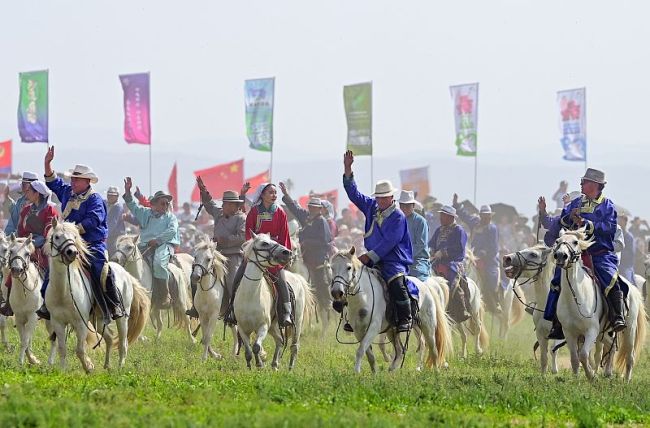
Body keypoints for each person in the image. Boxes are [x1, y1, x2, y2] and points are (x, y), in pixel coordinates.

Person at [540, 168, 626, 339]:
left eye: (584, 182)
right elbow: (562, 220)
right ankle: (555, 322)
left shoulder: (608, 206)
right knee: (557, 280)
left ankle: (617, 317)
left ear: (595, 185)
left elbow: (609, 228)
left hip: (600, 253)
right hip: (575, 253)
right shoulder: (576, 202)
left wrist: (585, 222)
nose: (581, 184)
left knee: (610, 279)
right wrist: (571, 217)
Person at [42, 147, 123, 324]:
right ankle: (45, 305)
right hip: (68, 243)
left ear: (87, 181)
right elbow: (52, 182)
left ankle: (112, 304)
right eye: (73, 178)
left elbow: (93, 220)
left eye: (77, 179)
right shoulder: (67, 192)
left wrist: (71, 231)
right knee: (53, 266)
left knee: (100, 268)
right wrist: (47, 163)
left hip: (92, 243)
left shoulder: (95, 199)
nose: (73, 182)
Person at [342, 150, 413, 332]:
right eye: (378, 197)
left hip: (394, 260)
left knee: (396, 284)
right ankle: (350, 316)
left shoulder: (398, 217)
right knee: (352, 279)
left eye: (384, 197)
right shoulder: (371, 206)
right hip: (373, 259)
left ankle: (406, 317)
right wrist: (348, 169)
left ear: (392, 197)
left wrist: (369, 257)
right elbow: (354, 194)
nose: (380, 200)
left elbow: (390, 242)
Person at [225, 182, 294, 327]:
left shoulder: (280, 212)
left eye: (275, 193)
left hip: (273, 255)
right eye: (270, 192)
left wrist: (283, 254)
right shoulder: (254, 212)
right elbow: (249, 233)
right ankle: (231, 310)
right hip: (257, 253)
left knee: (281, 281)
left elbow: (284, 235)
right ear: (262, 194)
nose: (274, 195)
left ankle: (286, 313)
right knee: (237, 277)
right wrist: (255, 250)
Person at [185, 177, 249, 319]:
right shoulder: (219, 213)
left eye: (227, 204)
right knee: (196, 274)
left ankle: (232, 311)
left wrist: (224, 239)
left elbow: (242, 237)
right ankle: (196, 307)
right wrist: (203, 189)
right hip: (216, 253)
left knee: (232, 280)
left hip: (233, 255)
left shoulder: (241, 218)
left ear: (234, 206)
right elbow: (208, 204)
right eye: (224, 203)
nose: (224, 206)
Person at [0, 180, 57, 316]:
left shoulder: (50, 210)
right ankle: (8, 302)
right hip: (24, 246)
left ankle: (49, 304)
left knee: (51, 272)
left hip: (43, 248)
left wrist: (32, 243)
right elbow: (20, 229)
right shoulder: (26, 209)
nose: (26, 193)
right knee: (12, 267)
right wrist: (21, 243)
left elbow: (48, 232)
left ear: (37, 193)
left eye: (29, 191)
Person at [123, 177, 180, 309]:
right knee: (127, 258)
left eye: (167, 203)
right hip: (145, 245)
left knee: (159, 263)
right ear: (154, 204)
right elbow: (132, 205)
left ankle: (164, 296)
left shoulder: (171, 217)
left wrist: (158, 240)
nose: (165, 206)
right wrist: (127, 191)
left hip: (164, 244)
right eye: (163, 203)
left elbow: (172, 231)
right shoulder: (144, 213)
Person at [280, 183, 333, 313]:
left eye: (315, 207)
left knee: (321, 281)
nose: (312, 209)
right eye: (310, 207)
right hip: (303, 255)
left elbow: (325, 242)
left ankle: (327, 304)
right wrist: (286, 195)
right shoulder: (305, 216)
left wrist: (307, 242)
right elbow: (294, 208)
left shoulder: (322, 222)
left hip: (318, 257)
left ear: (320, 209)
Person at [453, 194, 502, 313]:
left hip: (489, 260)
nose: (486, 218)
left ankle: (495, 302)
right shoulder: (475, 222)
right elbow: (464, 215)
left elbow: (494, 248)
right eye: (484, 216)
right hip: (471, 257)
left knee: (491, 277)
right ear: (480, 215)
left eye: (488, 216)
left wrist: (483, 254)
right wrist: (457, 205)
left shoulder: (492, 228)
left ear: (491, 216)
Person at [430, 205, 470, 323]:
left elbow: (459, 248)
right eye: (441, 215)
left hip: (454, 262)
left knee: (453, 281)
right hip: (437, 261)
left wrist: (443, 252)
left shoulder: (459, 230)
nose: (441, 218)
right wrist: (431, 250)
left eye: (443, 215)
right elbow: (432, 243)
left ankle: (462, 309)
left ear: (451, 217)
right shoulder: (439, 229)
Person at [398, 190, 430, 282]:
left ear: (413, 206)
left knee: (417, 280)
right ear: (399, 205)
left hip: (418, 260)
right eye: (402, 205)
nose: (405, 208)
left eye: (407, 205)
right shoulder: (397, 220)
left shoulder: (421, 221)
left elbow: (421, 245)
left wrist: (404, 255)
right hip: (400, 259)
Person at [105, 186, 125, 257]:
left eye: (112, 195)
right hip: (108, 234)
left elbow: (113, 223)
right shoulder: (106, 204)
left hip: (115, 236)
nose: (109, 197)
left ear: (117, 196)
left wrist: (104, 235)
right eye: (108, 194)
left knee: (112, 254)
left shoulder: (118, 207)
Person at [618, 214, 636, 284]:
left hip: (626, 266)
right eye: (619, 220)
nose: (619, 222)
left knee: (629, 281)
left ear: (625, 222)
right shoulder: (616, 234)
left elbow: (631, 254)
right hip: (617, 263)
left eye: (621, 220)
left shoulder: (629, 237)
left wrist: (618, 252)